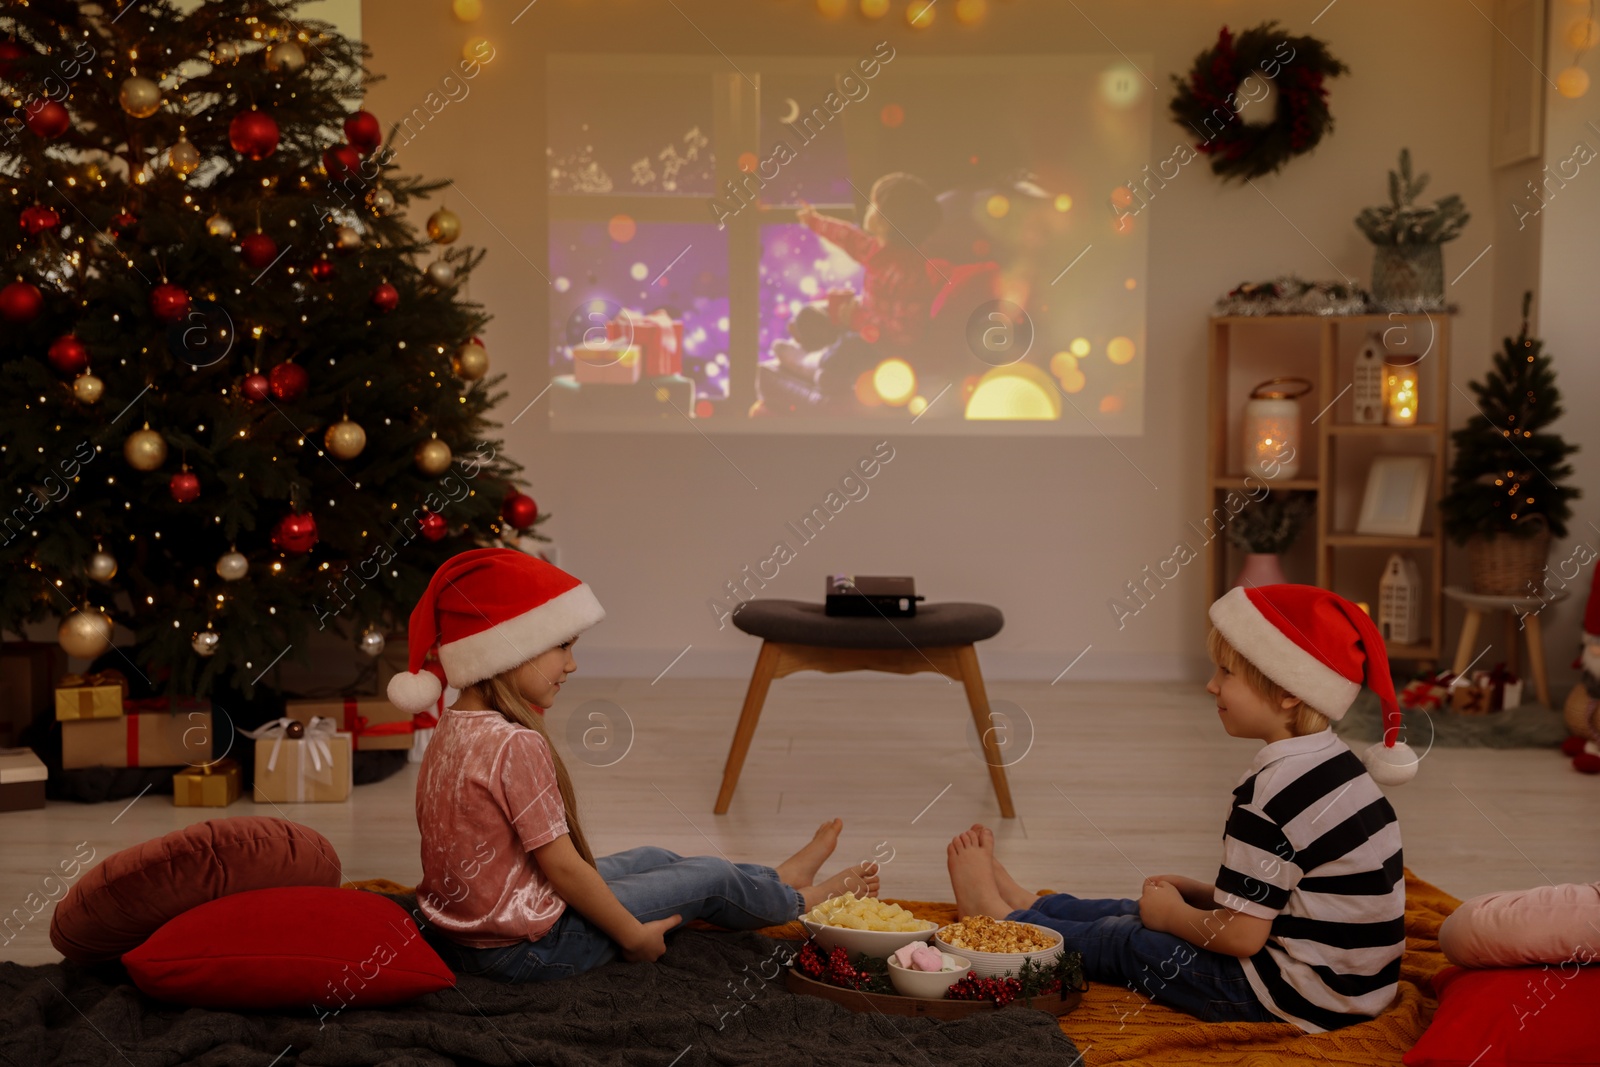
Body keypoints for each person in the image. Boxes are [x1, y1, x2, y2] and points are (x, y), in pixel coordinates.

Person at [388, 547, 878, 982]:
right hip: (526, 951)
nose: (572, 665)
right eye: (563, 646)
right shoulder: (514, 744)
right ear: (511, 649)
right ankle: (804, 902)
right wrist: (633, 938)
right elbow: (562, 869)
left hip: (465, 937)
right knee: (706, 876)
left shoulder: (451, 728)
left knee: (652, 857)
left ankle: (774, 880)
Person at [946, 584, 1418, 1032]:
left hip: (1289, 997)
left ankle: (996, 924)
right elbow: (1290, 893)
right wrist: (1201, 895)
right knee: (1135, 910)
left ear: (1288, 690)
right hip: (1356, 990)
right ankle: (1036, 906)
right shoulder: (1341, 768)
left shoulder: (1270, 793)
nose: (1211, 686)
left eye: (1226, 673)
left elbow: (1242, 938)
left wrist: (1172, 917)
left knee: (1130, 939)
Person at [788, 172, 943, 397]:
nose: (867, 208)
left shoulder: (910, 273)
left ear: (883, 221)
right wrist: (814, 220)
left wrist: (857, 319)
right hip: (866, 324)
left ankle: (823, 369)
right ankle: (820, 351)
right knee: (811, 315)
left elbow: (903, 334)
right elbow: (847, 237)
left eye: (873, 204)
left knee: (849, 347)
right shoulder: (876, 250)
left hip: (885, 349)